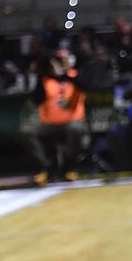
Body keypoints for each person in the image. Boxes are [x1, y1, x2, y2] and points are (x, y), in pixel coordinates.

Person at [25, 50, 87, 185]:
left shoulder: (75, 75)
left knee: (76, 130)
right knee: (29, 131)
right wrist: (40, 75)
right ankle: (48, 167)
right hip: (49, 123)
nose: (59, 63)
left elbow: (85, 86)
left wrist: (64, 74)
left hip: (72, 121)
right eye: (57, 61)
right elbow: (36, 99)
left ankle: (69, 167)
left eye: (62, 60)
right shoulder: (45, 79)